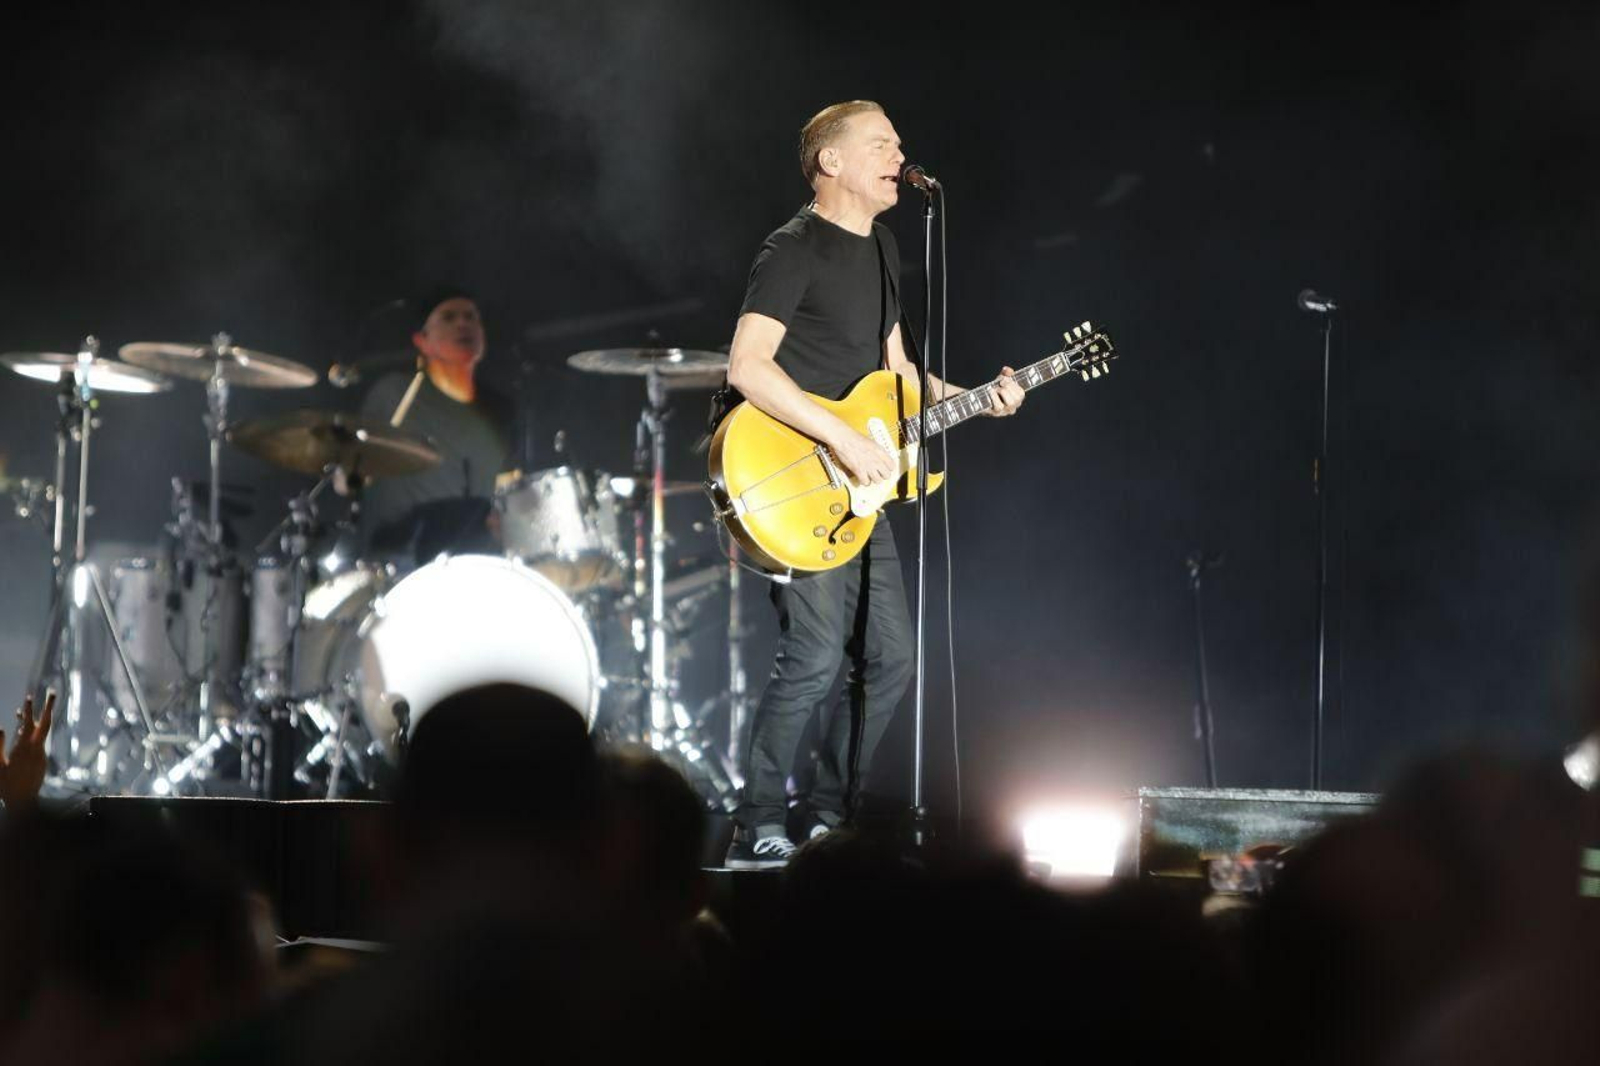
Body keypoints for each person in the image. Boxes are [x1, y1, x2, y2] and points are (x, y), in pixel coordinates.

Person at [722, 101, 1025, 869]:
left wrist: (978, 397)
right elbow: (748, 366)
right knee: (816, 657)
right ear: (831, 163)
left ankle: (827, 817)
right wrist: (840, 437)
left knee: (892, 657)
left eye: (898, 143)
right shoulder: (791, 249)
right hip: (796, 477)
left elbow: (898, 373)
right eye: (881, 143)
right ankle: (755, 821)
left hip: (863, 485)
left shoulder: (886, 246)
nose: (899, 155)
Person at [360, 288, 516, 565]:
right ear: (422, 341)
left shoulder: (499, 408)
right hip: (405, 559)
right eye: (448, 318)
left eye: (471, 317)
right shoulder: (396, 394)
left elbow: (509, 486)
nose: (463, 324)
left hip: (481, 562)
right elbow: (356, 462)